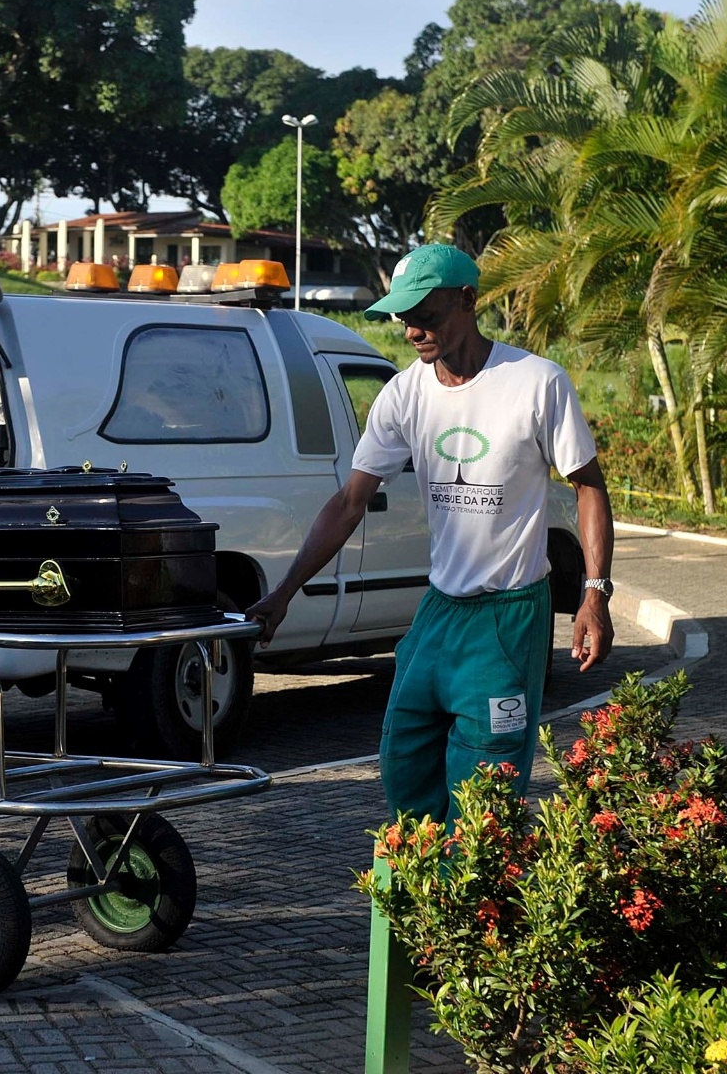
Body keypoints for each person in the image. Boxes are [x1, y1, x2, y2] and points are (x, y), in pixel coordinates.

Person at [245, 244, 614, 826]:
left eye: (427, 314)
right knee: (404, 761)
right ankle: (420, 900)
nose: (413, 329)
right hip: (439, 612)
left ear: (469, 300)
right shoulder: (404, 394)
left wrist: (594, 593)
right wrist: (284, 591)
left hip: (510, 615)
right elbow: (349, 502)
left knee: (485, 791)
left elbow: (589, 486)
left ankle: (470, 904)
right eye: (402, 316)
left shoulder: (536, 383)